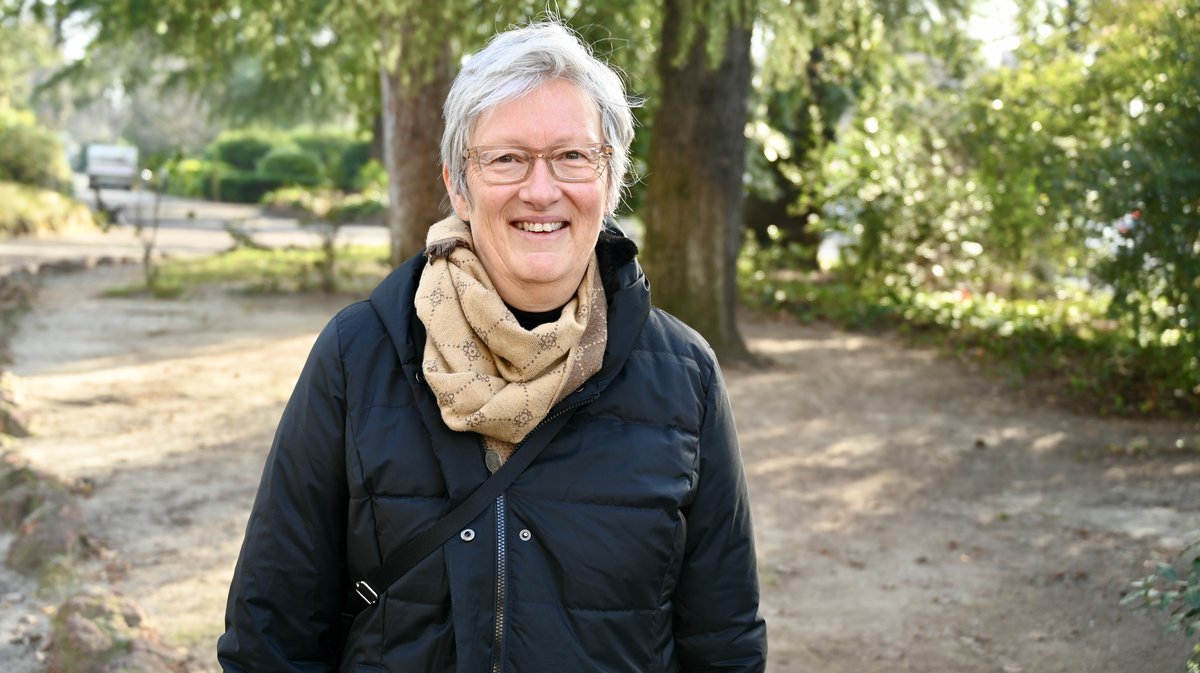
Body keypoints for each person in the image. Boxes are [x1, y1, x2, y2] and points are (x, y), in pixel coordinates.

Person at [217, 21, 766, 673]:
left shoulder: (685, 376)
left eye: (571, 156)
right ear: (458, 182)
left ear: (610, 177)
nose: (541, 189)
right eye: (508, 158)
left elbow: (723, 642)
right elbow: (270, 630)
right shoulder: (357, 354)